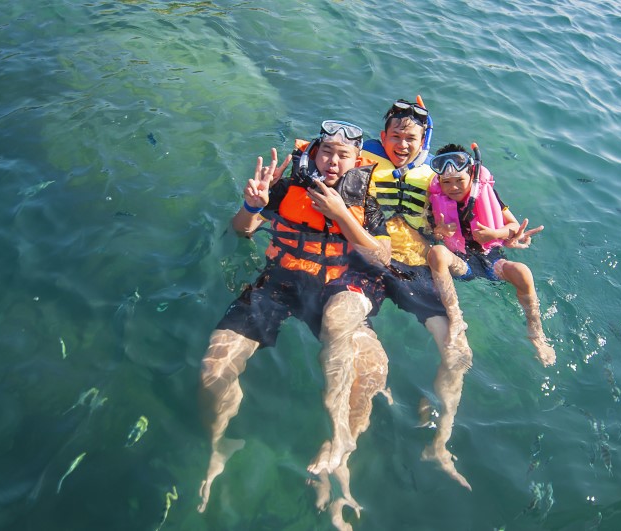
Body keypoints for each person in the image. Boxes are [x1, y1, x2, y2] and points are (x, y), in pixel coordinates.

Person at [196, 119, 391, 514]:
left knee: (372, 373)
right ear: (315, 154)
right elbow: (243, 233)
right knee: (211, 374)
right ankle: (218, 445)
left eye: (343, 155)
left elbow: (382, 259)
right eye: (326, 152)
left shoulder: (366, 204)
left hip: (338, 290)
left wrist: (342, 214)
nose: (333, 162)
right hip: (279, 284)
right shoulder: (286, 188)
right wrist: (252, 205)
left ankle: (340, 452)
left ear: (356, 161)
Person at [310, 97, 474, 490]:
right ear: (382, 136)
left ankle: (440, 441)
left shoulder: (437, 174)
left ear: (423, 141)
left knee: (458, 351)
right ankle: (340, 440)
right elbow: (319, 157)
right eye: (396, 136)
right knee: (347, 333)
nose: (402, 145)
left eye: (412, 138)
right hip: (368, 263)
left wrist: (503, 237)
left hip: (414, 266)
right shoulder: (360, 158)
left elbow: (474, 206)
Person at [427, 143, 556, 366]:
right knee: (437, 253)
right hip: (460, 262)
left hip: (491, 259)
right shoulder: (435, 199)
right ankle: (456, 319)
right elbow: (430, 231)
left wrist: (496, 233)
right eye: (446, 182)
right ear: (439, 182)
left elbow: (514, 225)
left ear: (472, 176)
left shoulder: (487, 193)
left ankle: (537, 334)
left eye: (460, 180)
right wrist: (437, 231)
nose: (453, 187)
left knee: (522, 271)